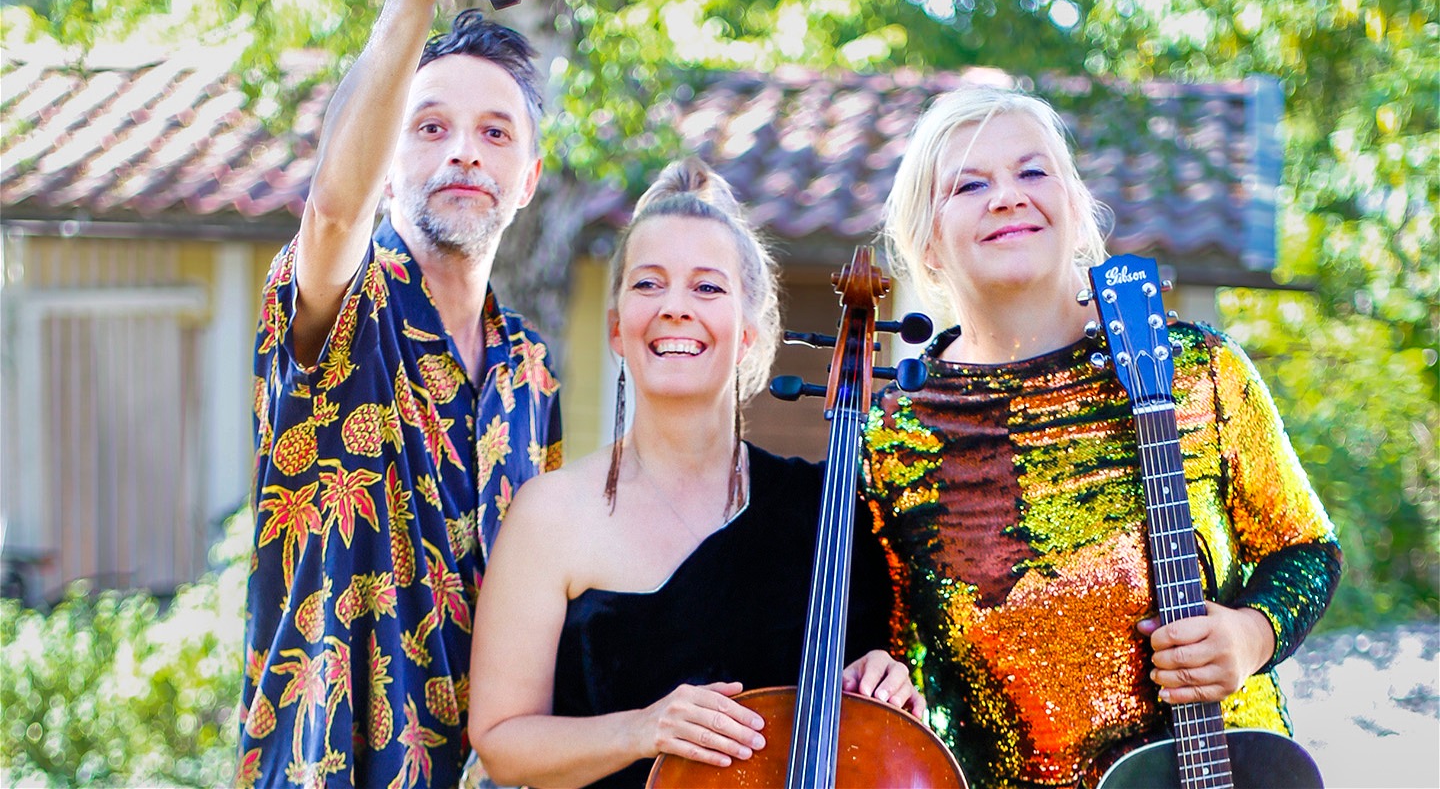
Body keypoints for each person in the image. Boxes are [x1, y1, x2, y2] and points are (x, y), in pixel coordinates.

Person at [863, 85, 1342, 788]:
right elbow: (889, 642)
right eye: (968, 184)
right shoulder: (896, 436)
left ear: (1076, 207)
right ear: (926, 243)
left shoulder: (1195, 369)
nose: (1007, 197)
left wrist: (1249, 634)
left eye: (1032, 172)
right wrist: (877, 672)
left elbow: (1307, 547)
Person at [465, 159, 923, 788]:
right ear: (617, 327)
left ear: (746, 335)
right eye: (649, 284)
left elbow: (874, 725)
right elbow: (502, 743)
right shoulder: (550, 513)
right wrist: (643, 729)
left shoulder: (828, 508)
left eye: (707, 288)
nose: (675, 308)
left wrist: (884, 685)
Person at [238, 0, 561, 786]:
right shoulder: (342, 300)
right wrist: (410, 2)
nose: (464, 151)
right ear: (387, 159)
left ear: (527, 179)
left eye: (496, 133)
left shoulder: (532, 371)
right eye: (429, 127)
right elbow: (333, 215)